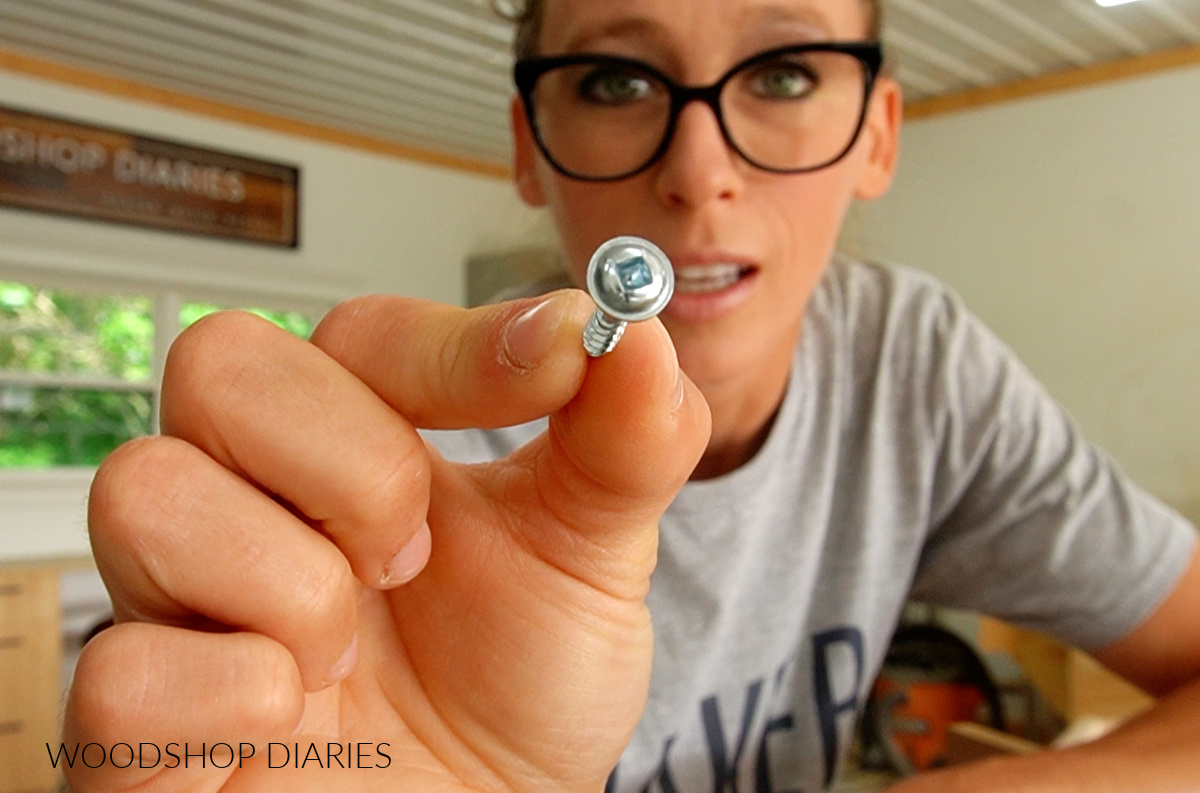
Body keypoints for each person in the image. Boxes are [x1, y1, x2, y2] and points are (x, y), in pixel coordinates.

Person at [65, 0, 1200, 791]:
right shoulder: (396, 480)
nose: (699, 171)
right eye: (615, 79)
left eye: (785, 72)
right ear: (530, 141)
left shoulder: (922, 370)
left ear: (878, 133)